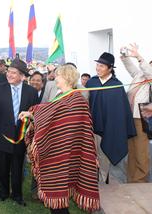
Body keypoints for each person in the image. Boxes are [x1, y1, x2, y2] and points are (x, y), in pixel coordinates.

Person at [19, 64, 100, 214]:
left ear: (67, 78)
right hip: (55, 153)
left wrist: (32, 113)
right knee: (56, 199)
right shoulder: (61, 96)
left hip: (68, 154)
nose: (55, 78)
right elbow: (49, 114)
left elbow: (79, 129)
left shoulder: (77, 100)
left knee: (58, 203)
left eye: (58, 75)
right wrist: (31, 114)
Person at [0, 58, 38, 206]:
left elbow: (35, 114)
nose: (9, 75)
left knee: (18, 167)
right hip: (1, 135)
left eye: (14, 73)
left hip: (21, 136)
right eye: (8, 72)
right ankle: (3, 192)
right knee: (1, 166)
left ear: (22, 76)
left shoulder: (31, 92)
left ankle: (17, 195)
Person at [86, 52, 136, 183]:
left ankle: (104, 183)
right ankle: (91, 184)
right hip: (91, 128)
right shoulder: (92, 82)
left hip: (109, 130)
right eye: (97, 65)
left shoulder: (117, 86)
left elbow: (120, 111)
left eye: (101, 66)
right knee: (91, 157)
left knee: (104, 158)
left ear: (110, 68)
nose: (98, 68)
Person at [120, 43, 152, 183]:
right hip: (131, 119)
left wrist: (139, 57)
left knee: (141, 153)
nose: (148, 68)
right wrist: (124, 54)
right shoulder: (139, 77)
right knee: (132, 152)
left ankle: (140, 183)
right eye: (148, 65)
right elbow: (130, 67)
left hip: (142, 120)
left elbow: (150, 74)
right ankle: (131, 181)